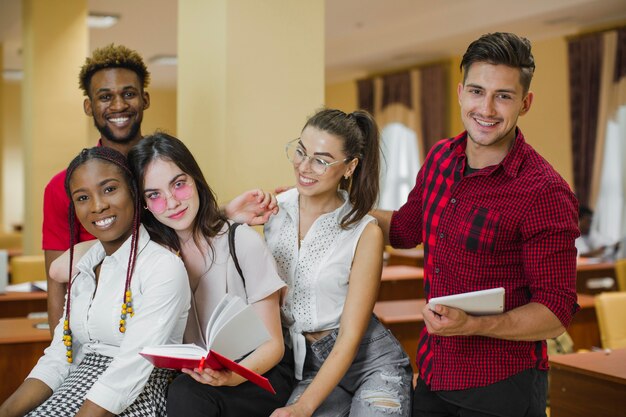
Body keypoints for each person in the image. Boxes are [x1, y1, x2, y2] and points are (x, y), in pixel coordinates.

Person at [371, 32, 579, 417]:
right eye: (477, 91)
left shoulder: (544, 190)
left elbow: (555, 311)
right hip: (434, 371)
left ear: (525, 103)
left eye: (503, 95)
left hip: (503, 386)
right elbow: (403, 229)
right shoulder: (440, 158)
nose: (487, 108)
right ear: (460, 92)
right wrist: (333, 207)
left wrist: (472, 325)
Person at [42, 44, 277, 334]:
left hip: (164, 322)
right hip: (101, 327)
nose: (118, 106)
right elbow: (57, 277)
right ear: (89, 106)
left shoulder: (165, 165)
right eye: (105, 97)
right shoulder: (63, 186)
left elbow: (179, 220)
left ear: (144, 99)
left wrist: (221, 214)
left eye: (128, 93)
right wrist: (57, 349)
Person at [0, 147, 191, 417]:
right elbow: (59, 358)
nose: (98, 205)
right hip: (79, 385)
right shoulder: (83, 268)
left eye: (110, 189)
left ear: (134, 193)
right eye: (82, 197)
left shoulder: (162, 267)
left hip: (138, 393)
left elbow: (129, 370)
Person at [126, 133, 294, 417]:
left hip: (257, 372)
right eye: (154, 195)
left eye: (178, 185)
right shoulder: (153, 256)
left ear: (195, 180)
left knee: (186, 394)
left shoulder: (241, 241)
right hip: (199, 376)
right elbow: (64, 265)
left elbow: (273, 346)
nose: (171, 202)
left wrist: (231, 377)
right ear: (142, 204)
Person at [266, 109, 413, 417]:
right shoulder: (273, 212)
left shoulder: (364, 231)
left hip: (370, 362)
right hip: (308, 367)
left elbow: (349, 336)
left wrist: (305, 406)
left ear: (350, 167)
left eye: (321, 160)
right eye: (301, 152)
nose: (304, 167)